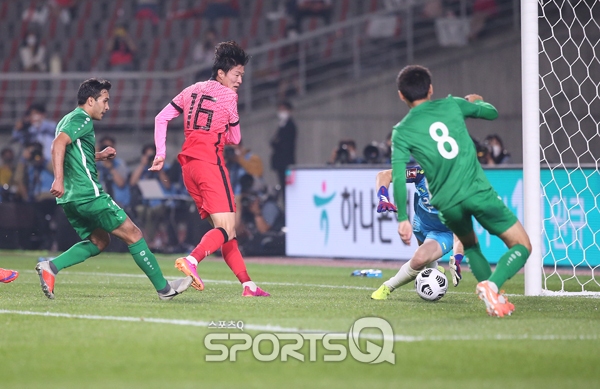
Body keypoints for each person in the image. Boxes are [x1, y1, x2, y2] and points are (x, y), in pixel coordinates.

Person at [391, 65, 531, 317]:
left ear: (401, 95)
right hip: (476, 190)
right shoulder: (452, 105)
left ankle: (494, 299)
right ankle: (492, 285)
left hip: (447, 203)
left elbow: (398, 177)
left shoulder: (401, 131)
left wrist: (402, 218)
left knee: (471, 246)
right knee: (522, 245)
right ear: (430, 88)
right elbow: (491, 113)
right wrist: (476, 101)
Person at [35, 78, 192, 300]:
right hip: (88, 194)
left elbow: (73, 152)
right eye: (105, 101)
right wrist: (57, 179)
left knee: (100, 241)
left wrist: (98, 156)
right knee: (134, 234)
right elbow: (57, 144)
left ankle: (51, 267)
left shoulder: (66, 119)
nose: (108, 107)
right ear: (91, 100)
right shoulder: (82, 119)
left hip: (70, 199)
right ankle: (165, 290)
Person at [150, 41, 270, 297]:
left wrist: (161, 153)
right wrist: (222, 131)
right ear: (221, 73)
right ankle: (192, 260)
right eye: (237, 74)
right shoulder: (229, 96)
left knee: (227, 231)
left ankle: (248, 285)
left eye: (241, 75)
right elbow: (236, 139)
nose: (239, 80)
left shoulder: (191, 89)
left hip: (188, 167)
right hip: (210, 164)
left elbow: (161, 118)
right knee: (226, 229)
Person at [371, 167, 464, 300]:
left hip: (443, 232)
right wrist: (383, 197)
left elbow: (461, 233)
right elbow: (384, 175)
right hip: (420, 222)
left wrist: (458, 258)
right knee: (426, 258)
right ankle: (434, 269)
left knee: (419, 259)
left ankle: (387, 287)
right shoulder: (420, 173)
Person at [270, 101, 297, 201]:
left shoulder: (290, 126)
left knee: (288, 189)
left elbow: (283, 143)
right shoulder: (281, 125)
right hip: (281, 163)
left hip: (286, 162)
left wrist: (276, 143)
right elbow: (273, 141)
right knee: (283, 187)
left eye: (283, 109)